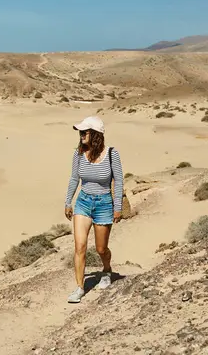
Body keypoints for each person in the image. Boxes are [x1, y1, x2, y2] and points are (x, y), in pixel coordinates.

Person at [64, 116, 123, 303]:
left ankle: (106, 271)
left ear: (95, 134)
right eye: (80, 132)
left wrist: (118, 207)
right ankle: (80, 287)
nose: (81, 135)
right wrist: (68, 202)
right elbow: (74, 178)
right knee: (79, 247)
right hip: (83, 202)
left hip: (104, 204)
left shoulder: (112, 154)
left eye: (84, 132)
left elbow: (119, 181)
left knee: (101, 248)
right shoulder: (79, 153)